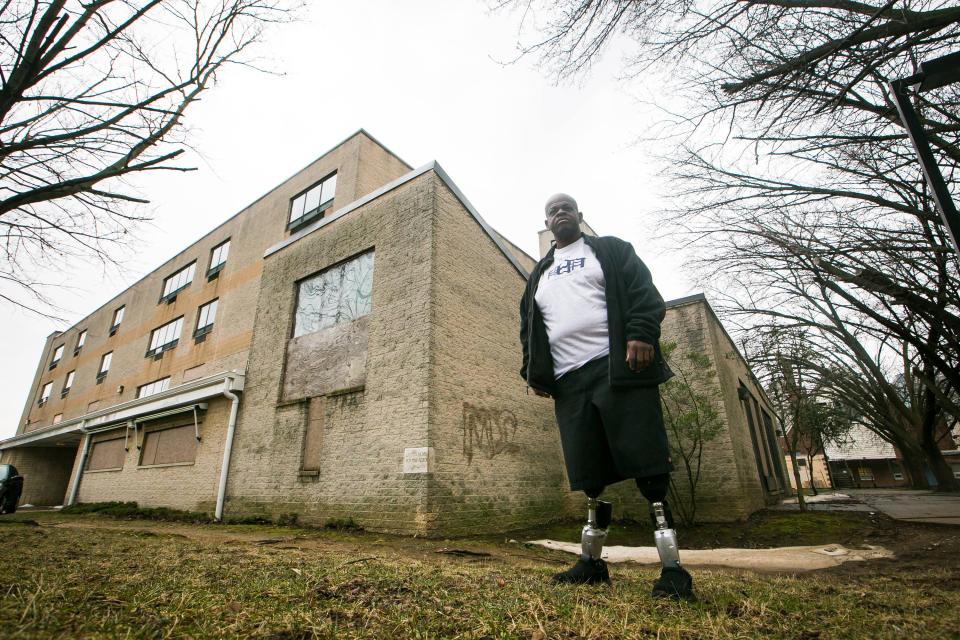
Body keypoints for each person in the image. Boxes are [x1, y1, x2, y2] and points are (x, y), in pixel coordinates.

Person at [519, 193, 695, 600]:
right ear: (547, 223)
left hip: (617, 367)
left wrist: (640, 334)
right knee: (589, 473)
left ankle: (672, 570)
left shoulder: (610, 250)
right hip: (568, 381)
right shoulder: (539, 274)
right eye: (552, 210)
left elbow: (643, 292)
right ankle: (592, 563)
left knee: (649, 466)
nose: (559, 213)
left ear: (580, 216)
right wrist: (534, 371)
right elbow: (528, 327)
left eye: (566, 208)